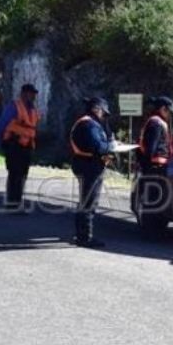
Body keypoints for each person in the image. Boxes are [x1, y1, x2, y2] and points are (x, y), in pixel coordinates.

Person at [69, 97, 117, 248]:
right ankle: (84, 237)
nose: (104, 116)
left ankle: (82, 235)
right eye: (104, 113)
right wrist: (112, 146)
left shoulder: (90, 123)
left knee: (87, 200)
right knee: (89, 201)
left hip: (87, 164)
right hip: (88, 166)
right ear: (97, 109)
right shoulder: (88, 124)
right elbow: (98, 147)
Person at [0, 83, 40, 212]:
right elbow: (2, 124)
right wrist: (1, 142)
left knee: (22, 175)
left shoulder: (33, 110)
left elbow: (33, 128)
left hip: (27, 146)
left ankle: (17, 202)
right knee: (14, 174)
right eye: (31, 94)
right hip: (13, 144)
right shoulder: (14, 107)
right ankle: (12, 203)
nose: (33, 97)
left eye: (34, 94)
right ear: (24, 94)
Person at [135, 96, 173, 220]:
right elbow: (151, 148)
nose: (170, 115)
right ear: (163, 109)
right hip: (155, 168)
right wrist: (147, 166)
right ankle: (150, 232)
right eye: (169, 111)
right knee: (153, 201)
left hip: (154, 167)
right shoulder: (156, 123)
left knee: (153, 200)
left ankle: (151, 230)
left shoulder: (156, 121)